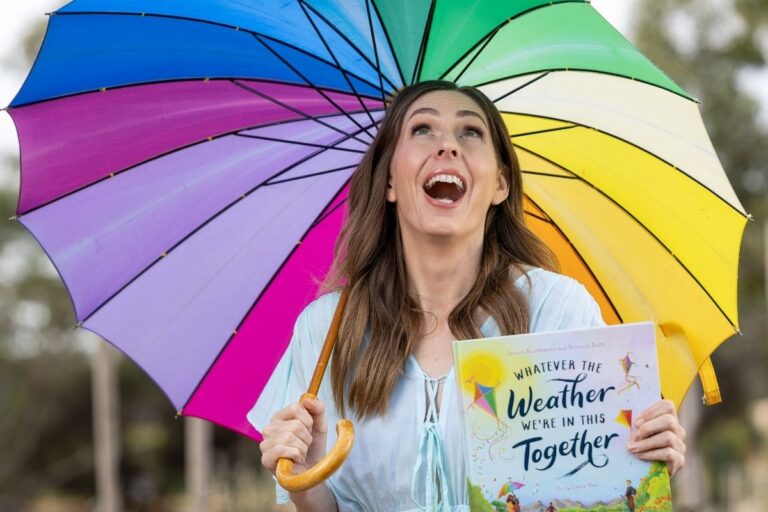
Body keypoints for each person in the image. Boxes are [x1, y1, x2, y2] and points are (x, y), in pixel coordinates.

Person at [250, 81, 687, 511]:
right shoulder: (326, 329)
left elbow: (596, 494)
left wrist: (639, 464)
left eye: (470, 132)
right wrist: (307, 487)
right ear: (389, 182)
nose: (448, 146)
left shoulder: (558, 309)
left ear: (500, 184)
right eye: (422, 129)